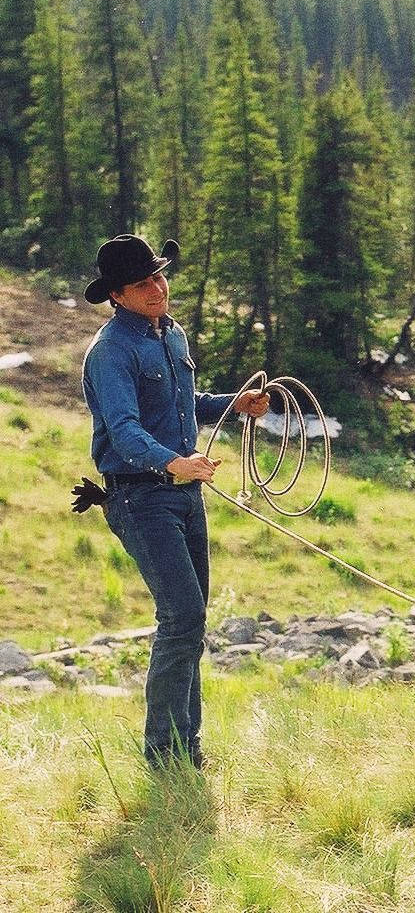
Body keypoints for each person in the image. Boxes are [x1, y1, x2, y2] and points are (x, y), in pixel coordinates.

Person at [81, 234, 270, 769]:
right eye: (143, 284)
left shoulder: (173, 336)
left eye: (159, 277)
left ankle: (188, 752)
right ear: (117, 295)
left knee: (192, 620)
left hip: (184, 497)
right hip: (140, 498)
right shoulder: (110, 352)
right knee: (182, 616)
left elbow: (186, 405)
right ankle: (165, 756)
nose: (157, 288)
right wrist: (173, 462)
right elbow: (123, 432)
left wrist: (234, 403)